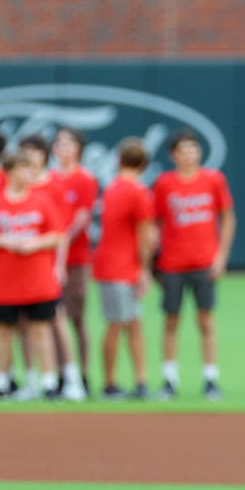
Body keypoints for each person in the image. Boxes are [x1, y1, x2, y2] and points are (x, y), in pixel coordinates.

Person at [151, 128, 235, 401]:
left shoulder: (213, 180)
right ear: (173, 155)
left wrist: (221, 256)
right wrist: (153, 259)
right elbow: (155, 222)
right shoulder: (164, 183)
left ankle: (211, 378)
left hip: (204, 261)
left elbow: (228, 218)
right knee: (171, 321)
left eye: (193, 149)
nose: (189, 154)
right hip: (173, 263)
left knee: (206, 321)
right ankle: (169, 379)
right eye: (183, 150)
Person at [0, 152, 64, 401]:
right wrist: (3, 240)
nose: (28, 175)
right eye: (23, 170)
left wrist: (34, 243)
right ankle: (0, 381)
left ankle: (48, 382)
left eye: (31, 170)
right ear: (11, 173)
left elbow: (57, 233)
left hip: (38, 279)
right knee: (4, 331)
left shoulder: (42, 200)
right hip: (6, 281)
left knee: (40, 330)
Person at [17, 134, 87, 401]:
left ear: (44, 155)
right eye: (25, 152)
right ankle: (33, 379)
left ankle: (70, 378)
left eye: (34, 152)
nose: (30, 157)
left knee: (57, 320)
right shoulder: (16, 186)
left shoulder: (54, 186)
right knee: (24, 324)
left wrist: (59, 265)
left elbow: (62, 231)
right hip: (20, 268)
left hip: (47, 266)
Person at [93, 138, 155, 400]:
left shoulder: (113, 188)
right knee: (119, 325)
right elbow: (146, 237)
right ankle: (112, 383)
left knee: (128, 323)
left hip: (110, 265)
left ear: (119, 161)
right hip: (122, 268)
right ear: (144, 164)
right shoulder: (139, 192)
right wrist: (145, 269)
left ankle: (137, 382)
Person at [51, 126, 99, 390]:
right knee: (52, 318)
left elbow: (82, 217)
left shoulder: (85, 179)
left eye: (69, 143)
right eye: (59, 143)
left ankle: (82, 373)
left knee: (76, 317)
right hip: (47, 260)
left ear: (79, 148)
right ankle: (60, 372)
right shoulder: (49, 179)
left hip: (76, 258)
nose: (64, 148)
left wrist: (59, 239)